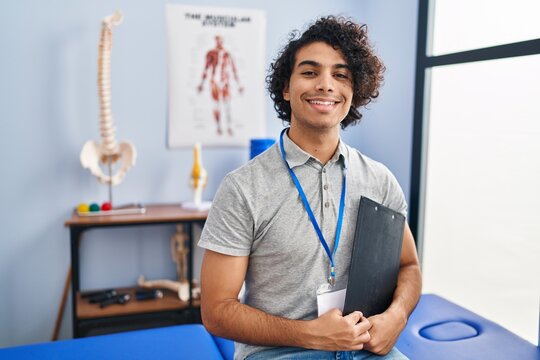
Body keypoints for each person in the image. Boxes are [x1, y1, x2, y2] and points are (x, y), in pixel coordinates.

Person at [198, 16, 422, 360]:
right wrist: (311, 335)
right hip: (276, 353)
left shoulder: (379, 179)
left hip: (361, 347)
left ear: (354, 90)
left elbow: (409, 267)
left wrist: (397, 317)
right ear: (286, 88)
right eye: (309, 72)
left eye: (341, 74)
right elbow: (216, 311)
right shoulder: (243, 188)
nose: (326, 85)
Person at [197, 35, 244, 136]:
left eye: (221, 41)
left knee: (227, 105)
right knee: (216, 105)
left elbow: (233, 69)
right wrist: (201, 83)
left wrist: (239, 85)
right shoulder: (211, 53)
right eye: (217, 41)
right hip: (215, 82)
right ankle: (218, 127)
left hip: (225, 82)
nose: (219, 43)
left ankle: (229, 126)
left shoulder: (227, 54)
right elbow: (206, 68)